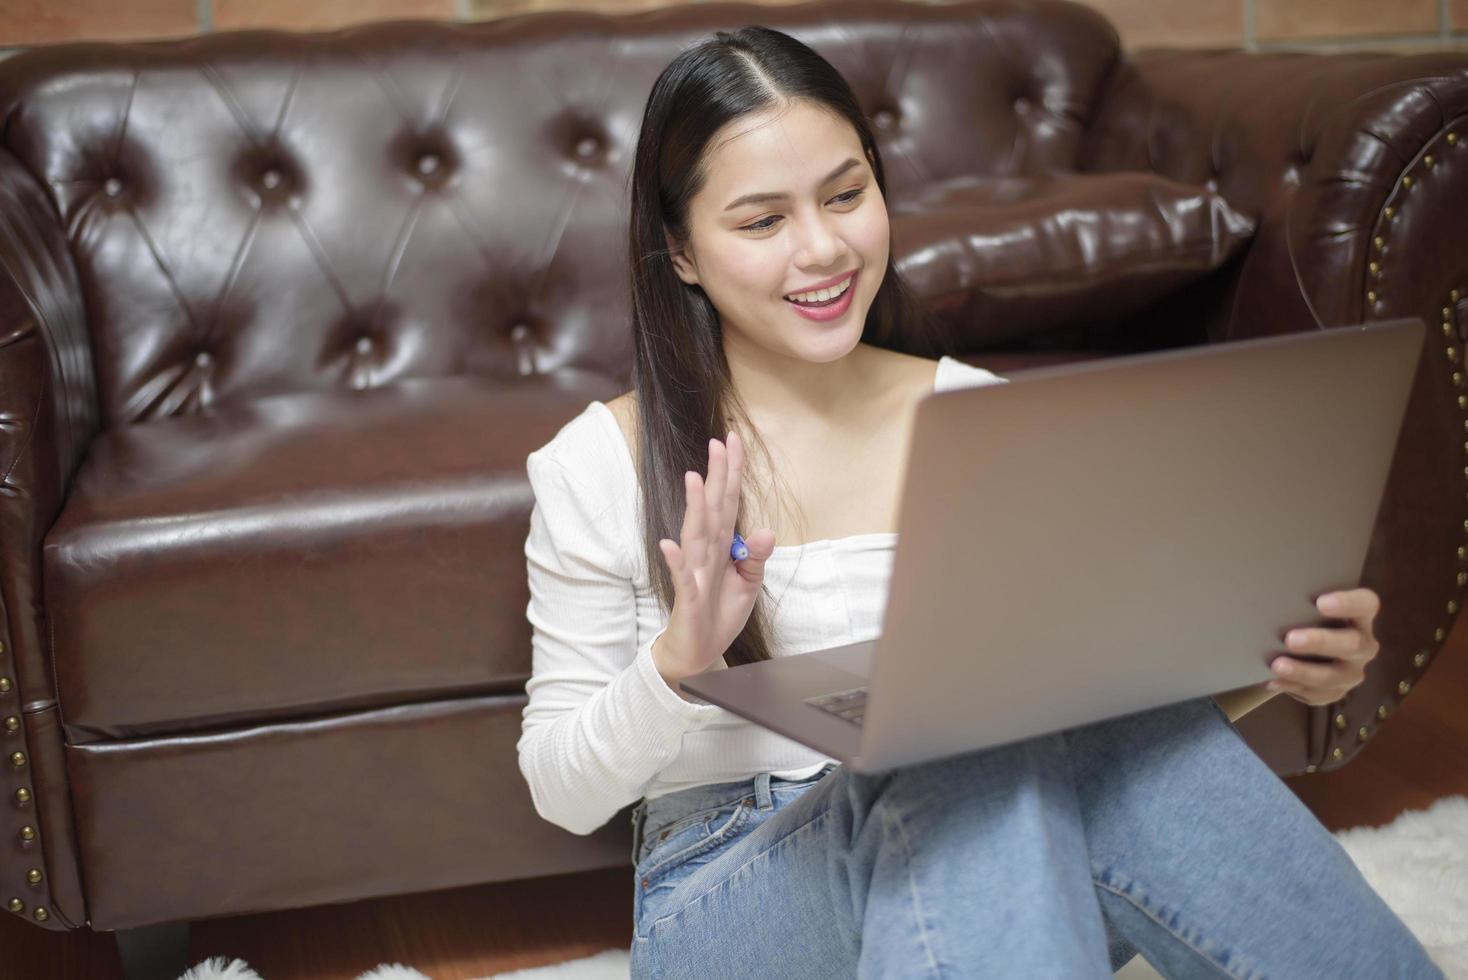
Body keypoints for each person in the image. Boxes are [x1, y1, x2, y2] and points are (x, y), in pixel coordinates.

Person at [517, 24, 1443, 979]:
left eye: (847, 195)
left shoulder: (967, 410)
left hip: (992, 876)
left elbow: (1097, 724)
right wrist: (679, 663)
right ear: (680, 251)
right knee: (957, 753)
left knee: (1056, 731)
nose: (824, 248)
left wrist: (1276, 667)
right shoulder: (599, 462)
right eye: (762, 222)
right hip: (728, 897)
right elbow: (560, 789)